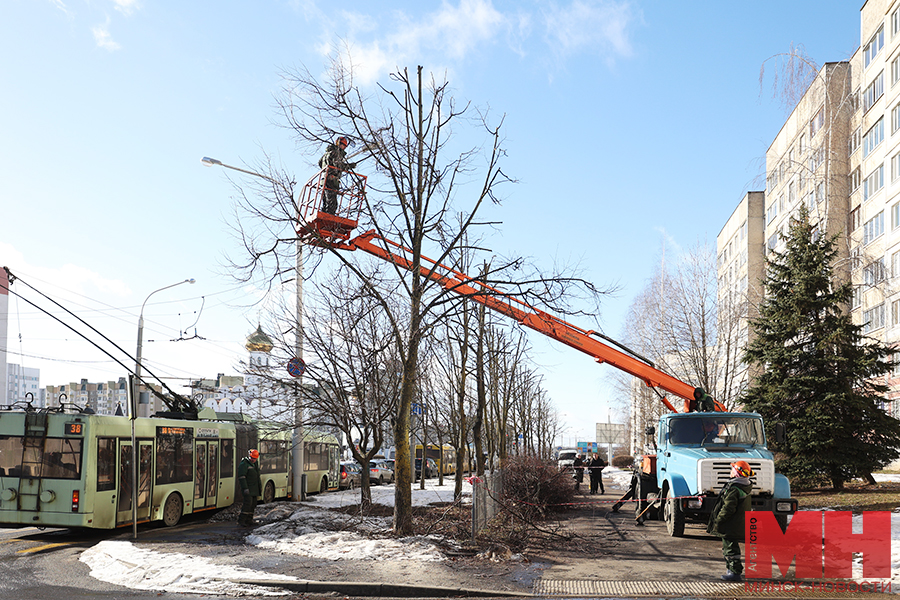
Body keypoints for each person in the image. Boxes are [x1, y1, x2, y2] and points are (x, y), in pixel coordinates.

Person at [707, 460, 754, 582]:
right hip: (736, 523)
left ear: (737, 473)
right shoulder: (744, 486)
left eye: (733, 469)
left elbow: (728, 508)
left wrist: (719, 520)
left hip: (731, 524)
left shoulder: (734, 489)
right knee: (730, 547)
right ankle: (731, 570)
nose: (731, 471)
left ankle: (734, 572)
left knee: (730, 548)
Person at [318, 136, 357, 214]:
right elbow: (338, 165)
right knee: (332, 204)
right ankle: (328, 218)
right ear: (339, 144)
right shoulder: (335, 153)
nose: (344, 148)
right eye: (344, 145)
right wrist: (349, 166)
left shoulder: (327, 153)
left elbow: (320, 162)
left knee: (326, 202)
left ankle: (324, 213)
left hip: (324, 179)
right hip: (331, 180)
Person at [237, 449, 262, 527]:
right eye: (252, 458)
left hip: (254, 488)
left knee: (253, 504)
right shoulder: (244, 464)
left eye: (255, 458)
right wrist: (245, 488)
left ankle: (249, 520)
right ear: (249, 456)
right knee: (248, 504)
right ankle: (242, 520)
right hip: (248, 488)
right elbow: (242, 477)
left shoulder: (255, 464)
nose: (253, 460)